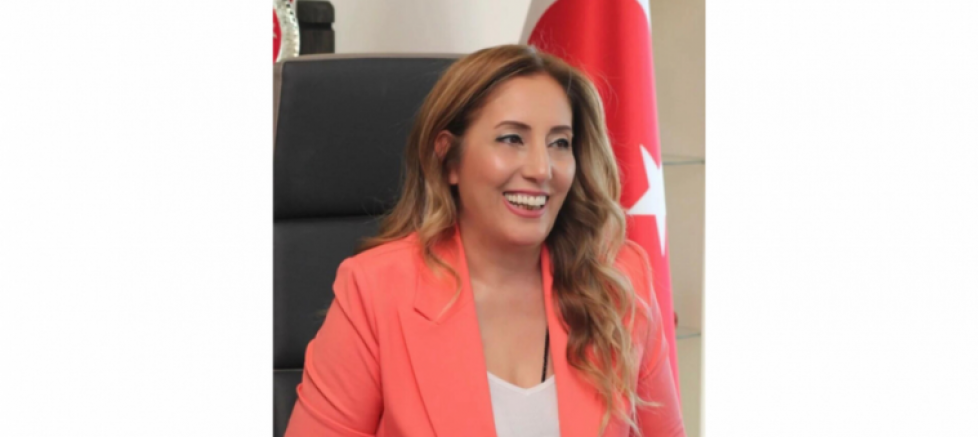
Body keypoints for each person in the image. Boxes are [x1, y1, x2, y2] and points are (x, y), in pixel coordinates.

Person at [284, 44, 684, 437]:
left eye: (559, 143)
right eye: (511, 139)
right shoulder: (374, 289)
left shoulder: (621, 282)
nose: (541, 169)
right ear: (449, 158)